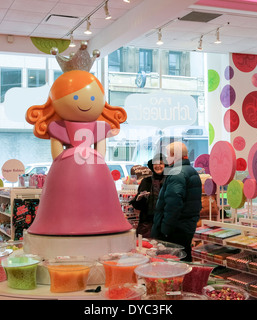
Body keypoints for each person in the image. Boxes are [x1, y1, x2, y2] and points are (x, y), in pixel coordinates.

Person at [25, 70, 132, 235]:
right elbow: (57, 152)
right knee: (64, 200)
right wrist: (65, 159)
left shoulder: (99, 128)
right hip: (67, 166)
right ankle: (60, 221)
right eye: (74, 97)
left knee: (97, 197)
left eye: (92, 98)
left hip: (94, 166)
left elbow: (100, 151)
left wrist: (94, 157)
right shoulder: (58, 128)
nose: (86, 103)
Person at [151, 142, 202, 262]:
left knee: (172, 261)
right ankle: (187, 280)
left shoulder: (177, 173)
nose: (167, 158)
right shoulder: (191, 171)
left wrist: (165, 230)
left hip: (175, 229)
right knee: (184, 257)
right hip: (186, 225)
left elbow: (173, 204)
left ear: (175, 155)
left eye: (168, 154)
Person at [130, 153, 167, 238]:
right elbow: (138, 206)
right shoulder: (146, 181)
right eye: (155, 163)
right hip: (147, 224)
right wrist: (139, 199)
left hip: (164, 222)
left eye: (161, 163)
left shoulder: (169, 180)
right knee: (146, 248)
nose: (158, 166)